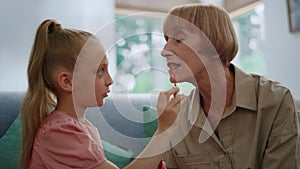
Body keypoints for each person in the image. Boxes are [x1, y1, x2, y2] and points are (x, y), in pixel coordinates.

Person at [20, 19, 184, 169]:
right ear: (67, 82)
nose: (110, 80)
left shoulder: (80, 126)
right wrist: (165, 129)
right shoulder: (61, 132)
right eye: (100, 71)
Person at [159, 3, 299, 169]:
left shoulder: (276, 102)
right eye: (166, 40)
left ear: (213, 45)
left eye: (178, 40)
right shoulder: (176, 119)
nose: (164, 50)